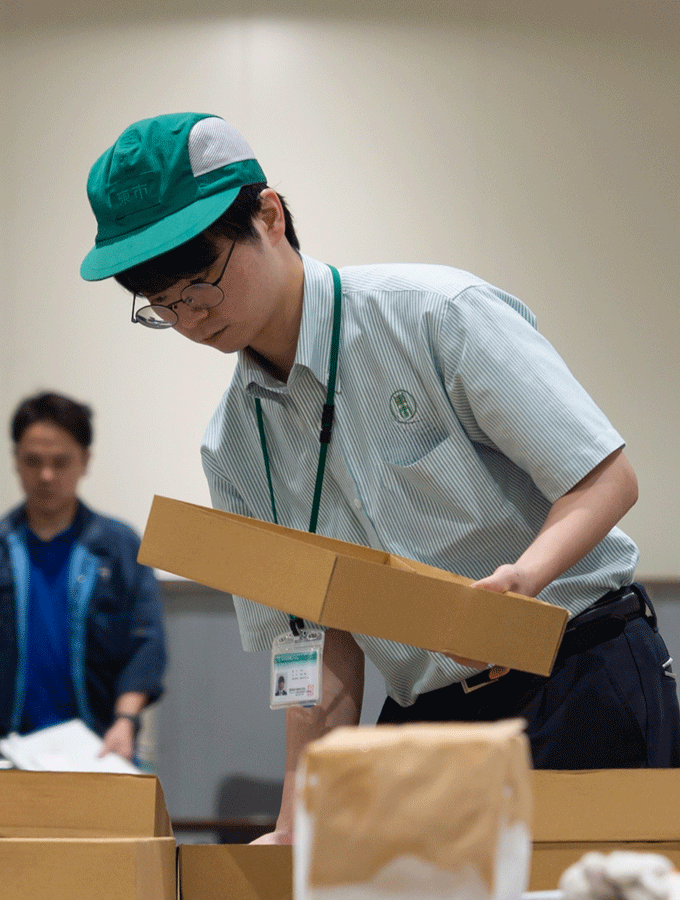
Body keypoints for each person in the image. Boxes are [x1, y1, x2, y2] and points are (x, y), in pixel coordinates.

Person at [81, 113, 680, 835]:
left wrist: (522, 582)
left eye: (200, 282)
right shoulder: (234, 445)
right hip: (430, 718)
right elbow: (313, 642)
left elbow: (607, 478)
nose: (190, 318)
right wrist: (296, 819)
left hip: (579, 673)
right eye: (162, 304)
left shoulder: (436, 316)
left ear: (268, 216)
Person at [0, 392, 167, 761]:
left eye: (60, 462)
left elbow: (146, 644)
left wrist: (125, 720)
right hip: (8, 751)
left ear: (85, 461)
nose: (46, 475)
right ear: (15, 459)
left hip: (98, 746)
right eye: (33, 461)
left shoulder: (120, 546)